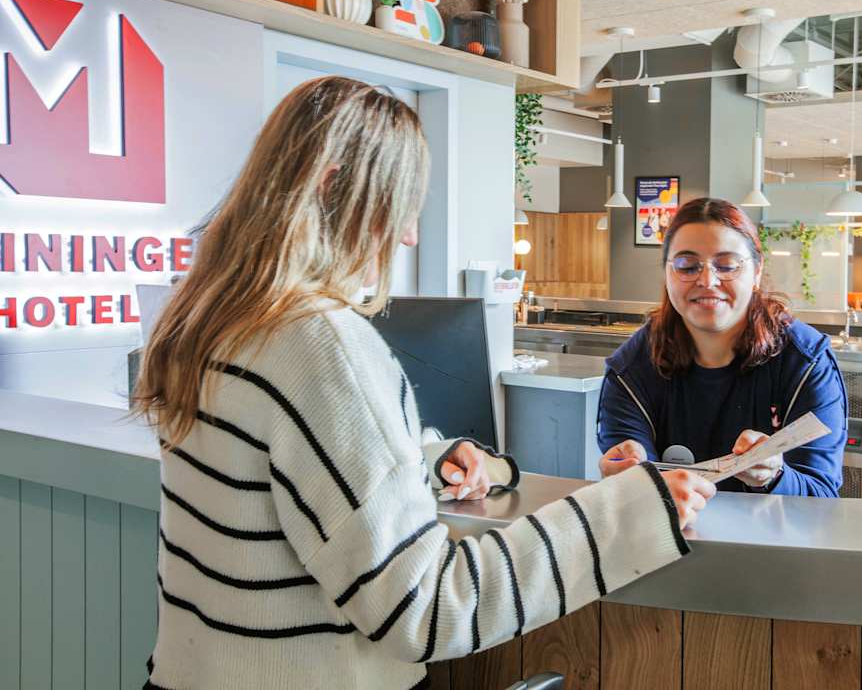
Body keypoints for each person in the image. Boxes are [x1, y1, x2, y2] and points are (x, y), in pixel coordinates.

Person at [133, 77, 715, 690]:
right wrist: (630, 511)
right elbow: (426, 610)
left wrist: (416, 462)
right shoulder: (318, 342)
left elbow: (275, 480)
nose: (409, 233)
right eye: (402, 203)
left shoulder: (208, 318)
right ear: (332, 186)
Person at [597, 198, 847, 496]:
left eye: (727, 265)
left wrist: (774, 476)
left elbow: (821, 495)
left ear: (756, 271)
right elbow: (632, 487)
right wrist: (628, 476)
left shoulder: (804, 361)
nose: (707, 280)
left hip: (773, 527)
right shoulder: (633, 366)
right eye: (687, 266)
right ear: (667, 273)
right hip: (672, 525)